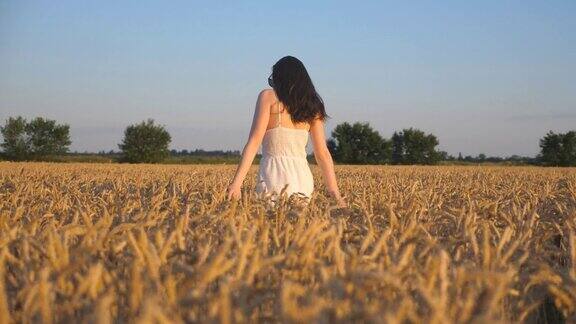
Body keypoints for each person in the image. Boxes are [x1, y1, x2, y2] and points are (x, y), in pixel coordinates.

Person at [226, 56, 345, 207]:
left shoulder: (268, 97)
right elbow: (322, 154)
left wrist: (236, 184)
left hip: (272, 176)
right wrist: (335, 194)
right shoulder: (313, 106)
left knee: (271, 226)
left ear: (281, 80)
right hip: (302, 180)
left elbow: (254, 142)